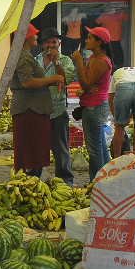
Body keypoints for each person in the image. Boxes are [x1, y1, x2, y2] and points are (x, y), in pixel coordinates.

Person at [10, 24, 65, 177]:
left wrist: (53, 77)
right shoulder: (24, 56)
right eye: (34, 35)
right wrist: (51, 79)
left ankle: (32, 180)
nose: (37, 37)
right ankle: (29, 182)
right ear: (27, 37)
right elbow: (27, 82)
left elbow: (41, 80)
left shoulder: (25, 55)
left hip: (37, 109)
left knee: (36, 151)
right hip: (29, 110)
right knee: (30, 152)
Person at [72, 26, 113, 182]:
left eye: (90, 38)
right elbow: (89, 85)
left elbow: (86, 83)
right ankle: (107, 179)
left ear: (99, 42)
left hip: (94, 108)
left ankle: (95, 184)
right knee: (100, 145)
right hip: (93, 104)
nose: (86, 40)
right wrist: (87, 89)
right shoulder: (94, 58)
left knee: (94, 149)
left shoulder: (101, 61)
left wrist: (79, 62)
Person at [36, 28, 76, 185]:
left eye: (54, 42)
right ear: (42, 44)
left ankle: (66, 181)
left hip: (57, 111)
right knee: (38, 147)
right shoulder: (35, 60)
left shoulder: (65, 60)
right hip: (38, 111)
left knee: (61, 149)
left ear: (59, 43)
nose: (50, 45)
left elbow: (65, 80)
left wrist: (56, 61)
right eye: (47, 42)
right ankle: (35, 179)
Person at [109, 66, 135, 157]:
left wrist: (117, 118)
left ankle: (116, 159)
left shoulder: (117, 72)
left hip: (123, 88)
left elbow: (111, 96)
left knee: (119, 128)